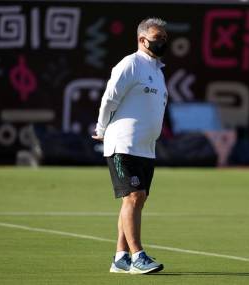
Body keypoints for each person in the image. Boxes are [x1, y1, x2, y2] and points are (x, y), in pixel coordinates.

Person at [92, 17, 168, 274]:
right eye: (157, 39)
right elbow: (109, 99)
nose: (162, 43)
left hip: (146, 148)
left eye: (164, 39)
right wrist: (101, 129)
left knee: (137, 199)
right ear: (142, 39)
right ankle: (138, 256)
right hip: (123, 144)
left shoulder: (158, 71)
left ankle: (120, 257)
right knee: (133, 197)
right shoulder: (130, 64)